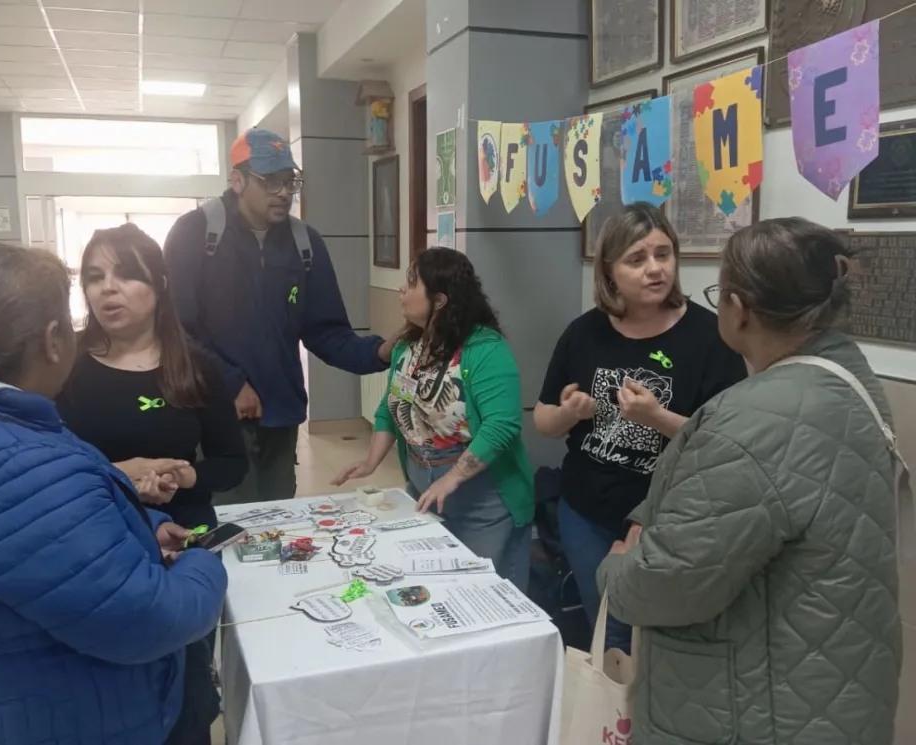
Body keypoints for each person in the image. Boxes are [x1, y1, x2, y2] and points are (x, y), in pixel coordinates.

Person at [598, 217, 902, 745]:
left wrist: (619, 566)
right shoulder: (849, 382)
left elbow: (666, 585)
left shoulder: (755, 420)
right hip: (830, 683)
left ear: (737, 309)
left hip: (760, 709)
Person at [0, 246, 227, 745]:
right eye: (91, 281)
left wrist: (146, 527)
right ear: (52, 339)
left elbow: (64, 529)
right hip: (76, 719)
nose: (109, 289)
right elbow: (149, 617)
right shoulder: (14, 469)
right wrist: (202, 560)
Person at [57, 224, 247, 745]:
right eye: (94, 278)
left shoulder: (196, 365)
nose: (106, 289)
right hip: (99, 544)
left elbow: (232, 463)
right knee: (115, 691)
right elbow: (45, 469)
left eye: (125, 275)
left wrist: (189, 475)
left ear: (159, 285)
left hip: (183, 544)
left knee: (185, 692)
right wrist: (118, 475)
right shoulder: (65, 367)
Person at [534, 202, 746, 651]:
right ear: (609, 273)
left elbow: (727, 441)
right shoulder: (583, 333)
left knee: (660, 641)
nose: (656, 269)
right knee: (607, 631)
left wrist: (656, 418)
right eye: (637, 259)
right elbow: (543, 421)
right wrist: (570, 413)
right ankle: (615, 720)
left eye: (663, 254)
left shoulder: (711, 336)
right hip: (587, 512)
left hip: (670, 517)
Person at [164, 127, 396, 504]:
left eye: (290, 181)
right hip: (215, 415)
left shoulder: (305, 243)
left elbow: (325, 331)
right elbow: (175, 329)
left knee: (277, 523)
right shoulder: (196, 233)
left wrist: (379, 353)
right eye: (271, 181)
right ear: (237, 180)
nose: (285, 192)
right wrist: (230, 383)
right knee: (228, 523)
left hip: (280, 414)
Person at [332, 248, 534, 590]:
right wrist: (370, 461)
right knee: (433, 586)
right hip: (423, 485)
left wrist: (452, 478)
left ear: (438, 300)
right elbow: (390, 406)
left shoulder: (485, 348)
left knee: (483, 594)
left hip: (482, 497)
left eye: (411, 283)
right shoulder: (408, 346)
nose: (401, 290)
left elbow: (502, 426)